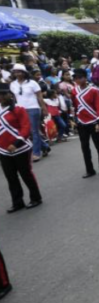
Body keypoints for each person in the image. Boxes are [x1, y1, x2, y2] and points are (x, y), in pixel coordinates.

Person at [0, 82, 42, 213]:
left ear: (9, 94)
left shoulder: (18, 109)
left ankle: (36, 197)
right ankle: (17, 202)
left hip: (21, 147)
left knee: (26, 173)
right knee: (10, 177)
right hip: (4, 150)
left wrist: (16, 143)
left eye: (3, 94)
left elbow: (25, 127)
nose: (1, 97)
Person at [72, 68, 99, 178]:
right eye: (76, 78)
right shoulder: (74, 91)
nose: (78, 80)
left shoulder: (94, 90)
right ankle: (90, 170)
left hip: (94, 122)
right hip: (81, 122)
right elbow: (75, 106)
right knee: (85, 147)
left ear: (85, 77)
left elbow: (98, 107)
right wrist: (74, 119)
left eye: (80, 77)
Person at [10, 64, 50, 161]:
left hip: (33, 109)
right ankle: (45, 146)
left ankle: (36, 153)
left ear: (24, 72)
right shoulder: (12, 84)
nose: (17, 73)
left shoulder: (32, 83)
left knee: (34, 131)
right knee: (27, 132)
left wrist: (44, 109)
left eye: (19, 71)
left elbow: (40, 97)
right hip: (20, 110)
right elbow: (14, 98)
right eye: (15, 71)